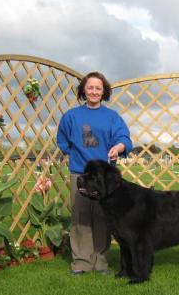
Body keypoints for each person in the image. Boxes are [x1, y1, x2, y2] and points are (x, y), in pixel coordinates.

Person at [57, 71, 133, 275]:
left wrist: (118, 147)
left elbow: (125, 139)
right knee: (80, 217)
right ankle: (81, 262)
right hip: (79, 173)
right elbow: (63, 141)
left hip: (105, 179)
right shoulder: (71, 116)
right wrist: (75, 154)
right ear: (83, 90)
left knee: (102, 217)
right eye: (90, 87)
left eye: (98, 88)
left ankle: (100, 262)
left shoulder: (112, 117)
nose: (94, 91)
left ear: (104, 91)